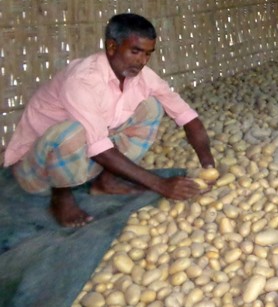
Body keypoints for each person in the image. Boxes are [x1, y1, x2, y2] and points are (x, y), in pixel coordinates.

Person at [2, 13, 217, 227]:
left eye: (148, 54)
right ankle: (61, 197)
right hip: (38, 171)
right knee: (72, 132)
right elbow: (100, 149)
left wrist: (208, 166)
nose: (142, 61)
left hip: (81, 161)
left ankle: (106, 182)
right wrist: (160, 185)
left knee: (151, 107)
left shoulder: (142, 77)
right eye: (135, 52)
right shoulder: (83, 80)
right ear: (112, 47)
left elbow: (187, 117)